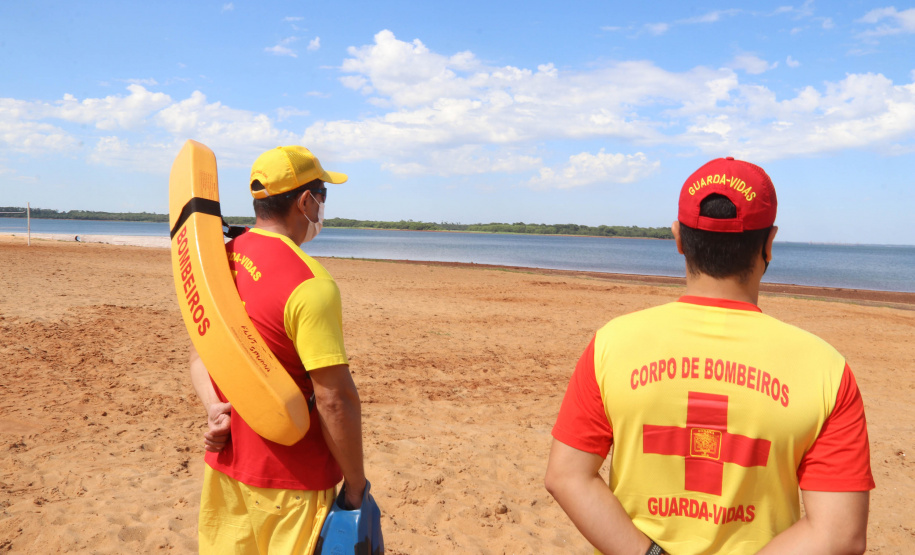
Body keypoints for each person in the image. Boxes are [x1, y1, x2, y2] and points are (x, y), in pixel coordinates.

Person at [545, 157, 874, 554]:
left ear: (678, 239)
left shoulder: (611, 344)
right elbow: (839, 534)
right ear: (769, 243)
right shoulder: (826, 369)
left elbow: (567, 476)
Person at [189, 146, 366, 554]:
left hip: (226, 469)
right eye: (322, 195)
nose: (322, 205)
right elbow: (334, 399)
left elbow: (200, 353)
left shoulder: (220, 261)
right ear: (306, 202)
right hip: (295, 483)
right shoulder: (311, 284)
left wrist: (214, 408)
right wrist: (356, 485)